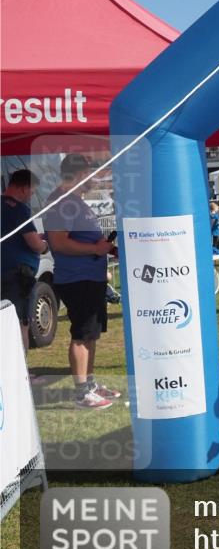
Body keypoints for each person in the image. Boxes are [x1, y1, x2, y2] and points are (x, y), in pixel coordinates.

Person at [44, 154, 120, 409]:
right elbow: (58, 242)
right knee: (81, 335)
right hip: (77, 279)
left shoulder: (75, 201)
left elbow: (86, 240)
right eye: (90, 174)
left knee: (91, 334)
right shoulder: (61, 201)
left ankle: (90, 385)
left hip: (91, 277)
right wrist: (95, 250)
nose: (93, 180)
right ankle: (81, 393)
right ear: (77, 175)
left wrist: (106, 249)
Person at [1, 169, 49, 353]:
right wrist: (45, 245)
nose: (31, 195)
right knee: (20, 323)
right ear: (23, 187)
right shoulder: (19, 209)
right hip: (16, 276)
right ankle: (22, 374)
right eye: (32, 191)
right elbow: (34, 244)